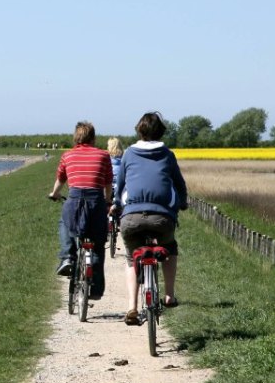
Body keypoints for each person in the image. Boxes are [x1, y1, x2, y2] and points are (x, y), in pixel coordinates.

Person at [113, 112, 188, 325]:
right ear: (161, 131)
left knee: (130, 256)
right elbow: (180, 185)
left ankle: (132, 307)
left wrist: (118, 205)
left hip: (132, 219)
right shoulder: (167, 154)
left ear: (140, 130)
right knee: (170, 247)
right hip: (162, 218)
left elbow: (120, 187)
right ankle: (169, 296)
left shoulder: (128, 154)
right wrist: (182, 202)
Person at [48, 121, 113, 299]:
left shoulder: (67, 155)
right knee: (98, 246)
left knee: (65, 222)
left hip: (74, 200)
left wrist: (54, 193)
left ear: (76, 137)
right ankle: (97, 290)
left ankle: (67, 257)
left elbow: (60, 179)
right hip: (96, 203)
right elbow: (108, 182)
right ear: (93, 138)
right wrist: (107, 201)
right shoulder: (103, 155)